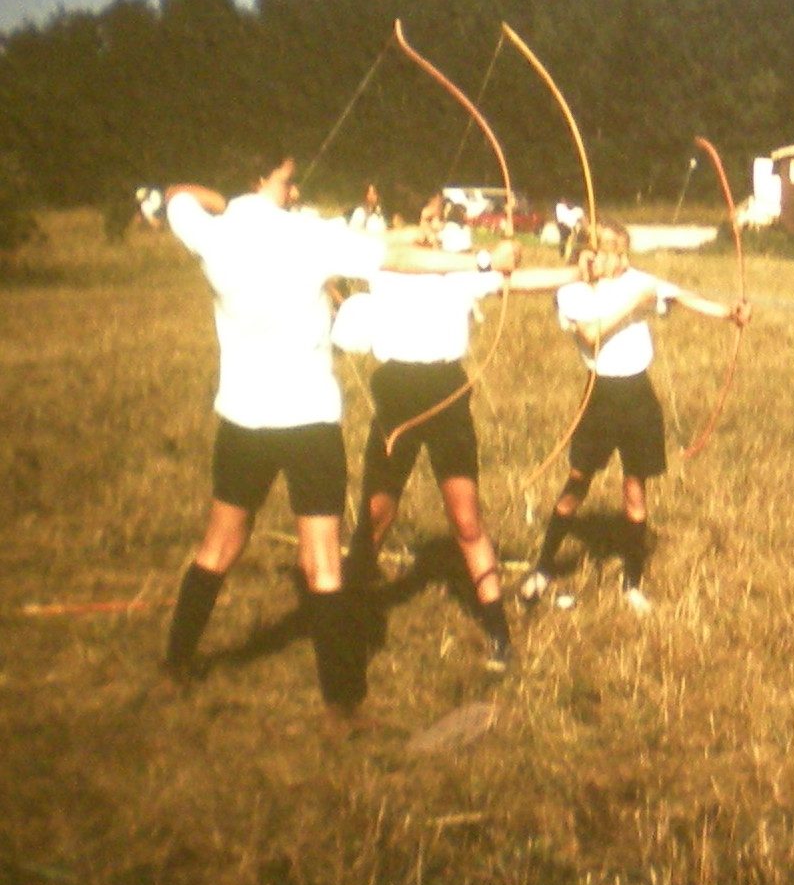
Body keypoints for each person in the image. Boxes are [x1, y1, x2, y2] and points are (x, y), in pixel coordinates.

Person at [157, 152, 518, 732]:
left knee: (218, 548)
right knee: (322, 562)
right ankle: (341, 706)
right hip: (308, 423)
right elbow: (398, 257)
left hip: (243, 421)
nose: (297, 191)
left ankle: (176, 665)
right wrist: (482, 256)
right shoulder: (309, 236)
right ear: (263, 178)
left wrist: (230, 203)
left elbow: (178, 188)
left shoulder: (209, 232)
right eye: (289, 179)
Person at [337, 191, 578, 673]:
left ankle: (498, 634)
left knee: (467, 520)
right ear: (399, 221)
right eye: (425, 219)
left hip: (448, 393)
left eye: (439, 217)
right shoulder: (381, 260)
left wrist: (580, 272)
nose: (434, 227)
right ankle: (345, 624)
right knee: (376, 518)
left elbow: (521, 281)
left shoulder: (457, 261)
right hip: (397, 394)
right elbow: (343, 251)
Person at [520, 219, 751, 613]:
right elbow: (590, 336)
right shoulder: (572, 291)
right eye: (613, 251)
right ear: (590, 251)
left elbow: (680, 297)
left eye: (625, 251)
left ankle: (631, 584)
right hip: (600, 394)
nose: (622, 259)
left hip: (638, 396)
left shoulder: (636, 280)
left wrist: (727, 312)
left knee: (635, 489)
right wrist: (634, 300)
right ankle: (544, 567)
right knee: (578, 481)